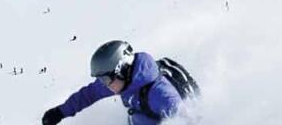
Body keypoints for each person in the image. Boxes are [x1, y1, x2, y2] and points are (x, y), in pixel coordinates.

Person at [42, 40, 184, 124]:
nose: (104, 85)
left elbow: (187, 119)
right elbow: (90, 93)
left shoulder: (162, 96)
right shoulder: (121, 82)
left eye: (105, 79)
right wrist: (60, 112)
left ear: (122, 69)